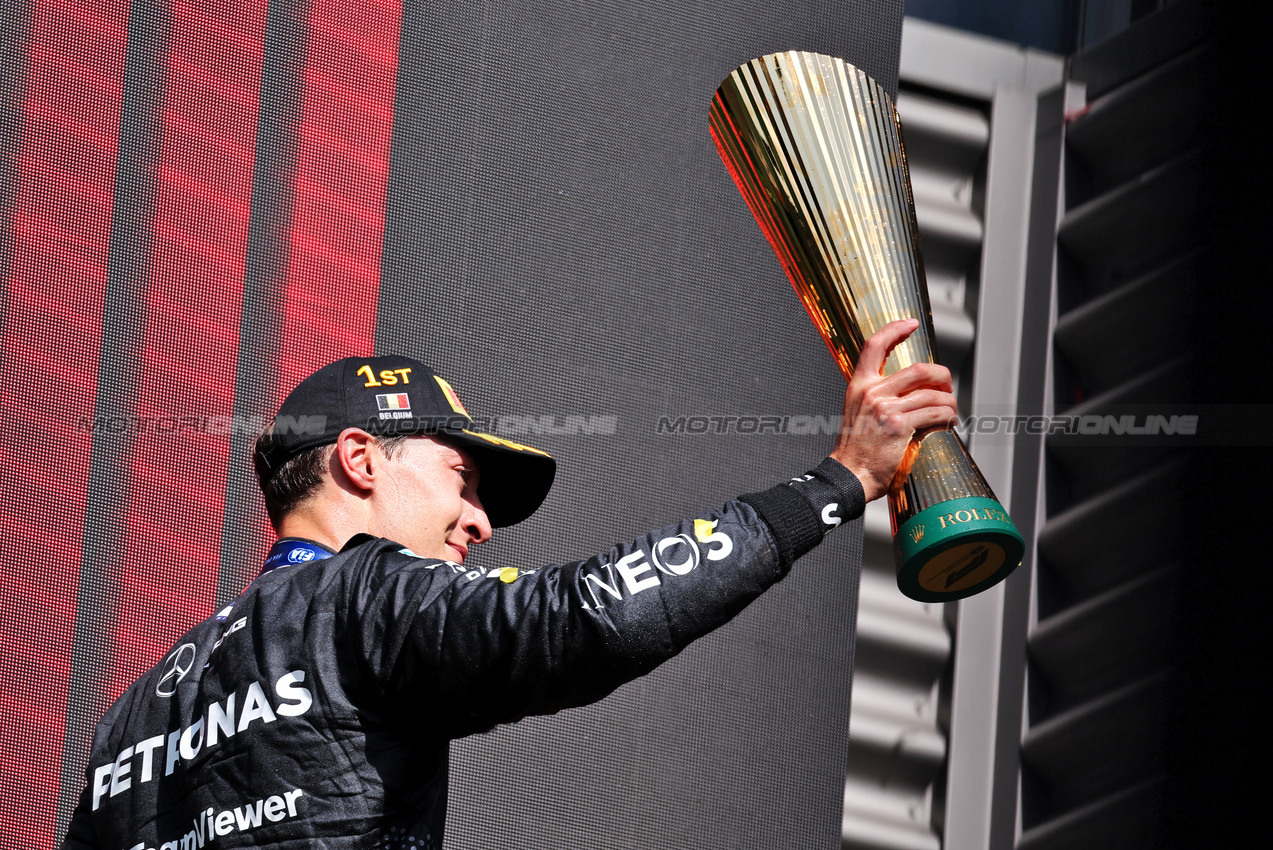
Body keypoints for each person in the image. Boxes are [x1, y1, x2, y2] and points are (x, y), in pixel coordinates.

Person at [61, 318, 955, 850]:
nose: (480, 523)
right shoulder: (363, 598)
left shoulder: (131, 719)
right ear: (361, 459)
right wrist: (839, 483)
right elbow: (590, 615)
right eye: (461, 477)